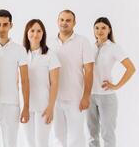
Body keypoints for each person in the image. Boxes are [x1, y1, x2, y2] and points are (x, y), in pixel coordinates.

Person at [86, 17, 136, 147]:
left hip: (106, 97)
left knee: (107, 134)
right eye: (97, 28)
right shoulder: (89, 47)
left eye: (103, 28)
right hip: (89, 95)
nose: (100, 31)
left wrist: (116, 85)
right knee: (92, 134)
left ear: (109, 30)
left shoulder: (114, 47)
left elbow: (131, 68)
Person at [49, 10, 94, 147]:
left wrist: (86, 96)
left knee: (76, 137)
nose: (64, 23)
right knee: (58, 137)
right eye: (61, 20)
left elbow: (89, 70)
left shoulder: (83, 41)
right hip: (54, 98)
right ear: (57, 22)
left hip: (76, 98)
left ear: (74, 23)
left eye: (68, 20)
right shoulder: (49, 43)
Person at [0, 9, 30, 147]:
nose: (1, 28)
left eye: (5, 24)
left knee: (10, 143)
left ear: (11, 25)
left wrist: (26, 107)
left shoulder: (19, 50)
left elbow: (24, 80)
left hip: (12, 104)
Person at [22, 19, 60, 147]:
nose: (35, 34)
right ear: (27, 33)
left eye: (39, 31)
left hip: (43, 106)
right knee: (29, 143)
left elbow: (55, 83)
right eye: (32, 30)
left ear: (43, 34)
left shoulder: (50, 55)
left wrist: (50, 107)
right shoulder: (21, 54)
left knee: (41, 143)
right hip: (25, 106)